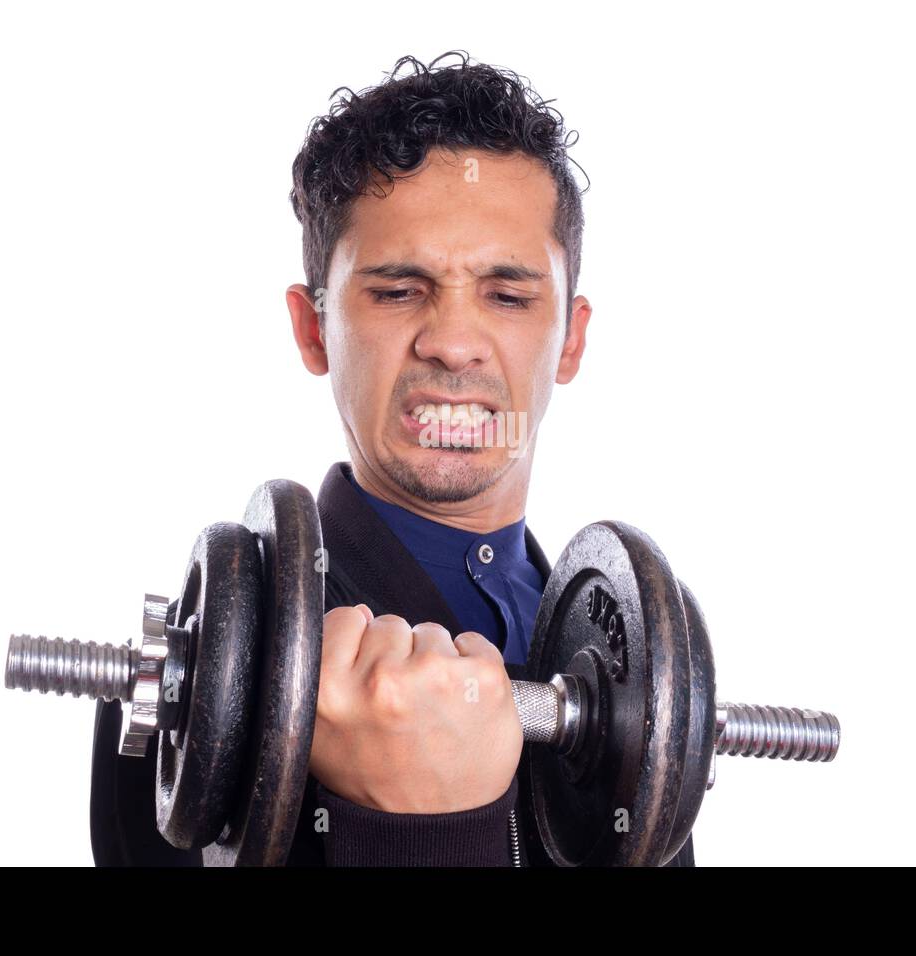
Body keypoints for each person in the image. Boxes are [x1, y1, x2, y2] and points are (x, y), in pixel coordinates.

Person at [90, 50, 694, 867]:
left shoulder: (643, 680)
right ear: (313, 331)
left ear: (571, 339)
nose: (451, 344)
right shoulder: (207, 676)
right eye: (397, 289)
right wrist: (418, 832)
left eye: (508, 295)